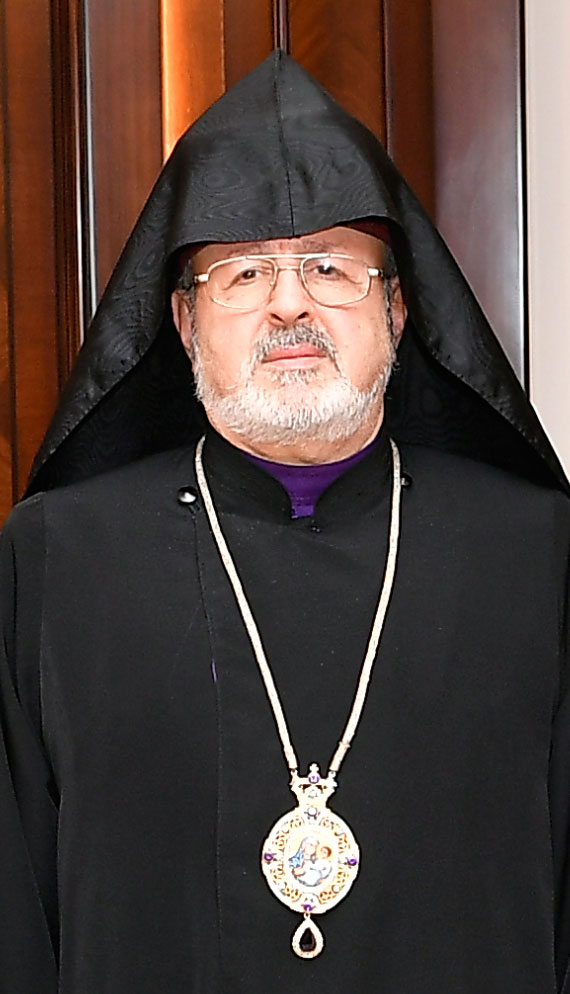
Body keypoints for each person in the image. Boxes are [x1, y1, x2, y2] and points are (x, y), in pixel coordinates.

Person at [1, 50, 569, 994]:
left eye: (330, 267)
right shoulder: (56, 556)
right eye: (243, 272)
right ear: (185, 323)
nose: (290, 302)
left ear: (397, 310)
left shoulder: (537, 554)